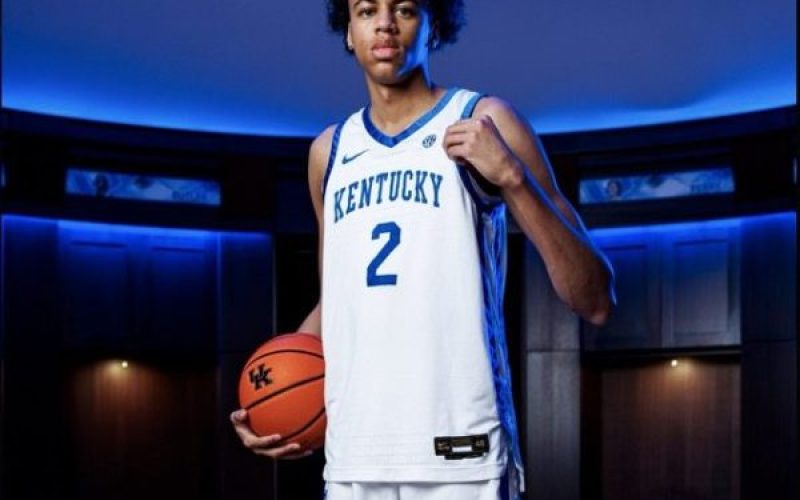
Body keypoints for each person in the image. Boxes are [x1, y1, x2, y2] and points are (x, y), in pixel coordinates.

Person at [231, 1, 615, 499]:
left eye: (405, 9)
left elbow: (594, 299)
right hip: (353, 458)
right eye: (366, 10)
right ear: (348, 31)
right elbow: (339, 300)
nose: (385, 24)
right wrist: (271, 399)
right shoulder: (329, 152)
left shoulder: (482, 120)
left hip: (461, 454)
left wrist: (513, 178)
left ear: (434, 27)